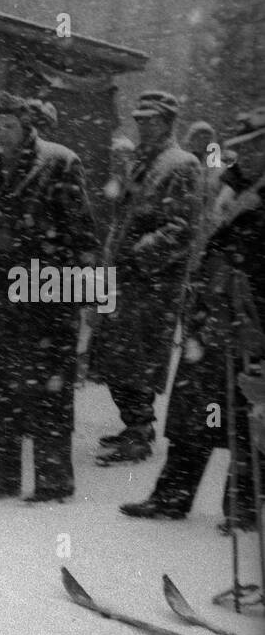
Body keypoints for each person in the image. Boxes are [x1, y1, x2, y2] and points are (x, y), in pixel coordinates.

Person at [121, 107, 265, 526]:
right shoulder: (226, 189)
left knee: (246, 423)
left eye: (257, 146)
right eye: (243, 147)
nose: (248, 154)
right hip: (211, 324)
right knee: (192, 419)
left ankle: (242, 509)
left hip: (251, 330)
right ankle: (171, 498)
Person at [0, 92, 98, 502]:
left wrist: (85, 297)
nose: (0, 134)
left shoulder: (60, 161)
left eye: (8, 126)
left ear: (27, 126)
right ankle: (0, 476)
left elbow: (82, 234)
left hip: (48, 294)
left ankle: (54, 479)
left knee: (49, 392)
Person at [91, 91, 202, 465]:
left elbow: (181, 229)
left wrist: (137, 257)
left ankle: (140, 432)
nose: (143, 126)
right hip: (124, 281)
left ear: (168, 122)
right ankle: (132, 425)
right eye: (139, 120)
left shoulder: (181, 164)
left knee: (135, 360)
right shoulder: (141, 163)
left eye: (150, 120)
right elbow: (122, 217)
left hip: (150, 285)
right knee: (115, 358)